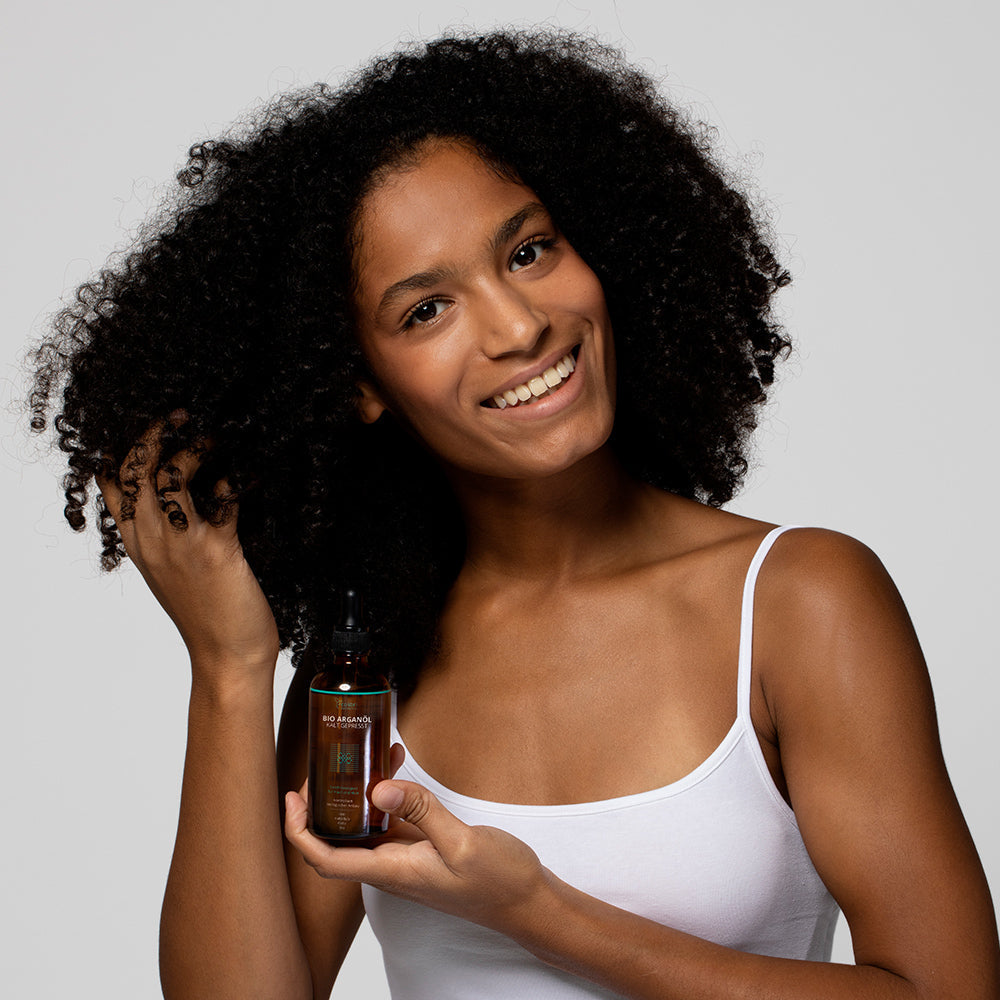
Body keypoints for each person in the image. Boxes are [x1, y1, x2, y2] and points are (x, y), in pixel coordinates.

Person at [28, 29, 999, 1000]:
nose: (518, 326)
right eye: (425, 310)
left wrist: (534, 909)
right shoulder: (361, 679)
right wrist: (229, 669)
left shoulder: (799, 603)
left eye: (529, 251)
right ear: (358, 384)